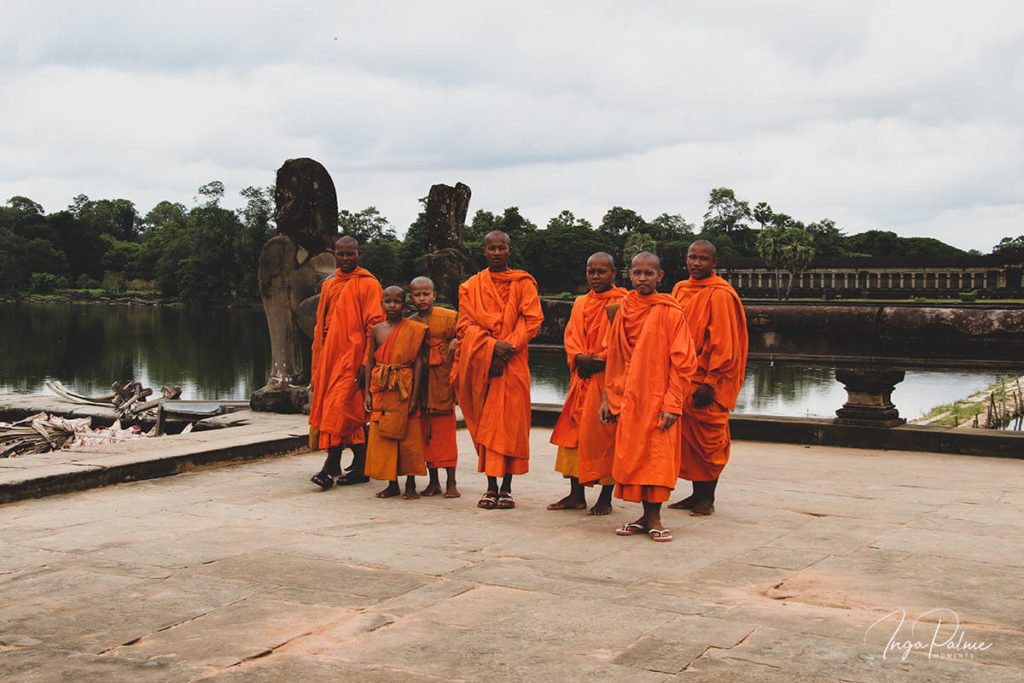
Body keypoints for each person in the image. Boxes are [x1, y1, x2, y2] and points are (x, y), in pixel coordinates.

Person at [599, 251, 696, 542]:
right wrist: (608, 397)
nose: (642, 278)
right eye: (637, 273)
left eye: (649, 273)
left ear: (660, 277)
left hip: (658, 398)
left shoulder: (671, 311)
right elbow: (613, 356)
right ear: (628, 274)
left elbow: (683, 363)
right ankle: (644, 515)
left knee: (656, 458)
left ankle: (655, 516)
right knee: (634, 457)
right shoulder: (621, 309)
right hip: (628, 398)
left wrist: (672, 403)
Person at [453, 230, 543, 510]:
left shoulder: (523, 283)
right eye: (491, 248)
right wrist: (492, 347)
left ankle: (506, 488)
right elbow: (465, 326)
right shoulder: (470, 286)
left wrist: (506, 348)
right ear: (483, 251)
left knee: (509, 427)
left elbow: (532, 320)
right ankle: (490, 486)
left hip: (513, 364)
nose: (496, 253)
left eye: (501, 248)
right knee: (487, 425)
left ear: (509, 250)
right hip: (482, 363)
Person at [669, 239, 748, 516]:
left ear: (715, 263)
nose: (696, 263)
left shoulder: (720, 294)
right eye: (692, 257)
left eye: (703, 259)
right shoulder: (679, 289)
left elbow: (724, 344)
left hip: (708, 380)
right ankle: (694, 494)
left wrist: (711, 382)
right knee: (687, 440)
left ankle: (707, 498)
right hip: (683, 376)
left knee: (709, 440)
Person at [547, 252, 626, 515]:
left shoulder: (623, 302)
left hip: (606, 379)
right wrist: (579, 357)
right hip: (581, 376)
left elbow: (624, 341)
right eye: (591, 271)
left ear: (613, 273)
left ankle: (605, 497)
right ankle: (576, 494)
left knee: (605, 436)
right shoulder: (580, 303)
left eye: (601, 272)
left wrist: (600, 360)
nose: (595, 277)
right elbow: (571, 335)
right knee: (573, 435)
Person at [308, 236, 383, 490]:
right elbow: (322, 324)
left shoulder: (368, 284)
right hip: (330, 356)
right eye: (341, 254)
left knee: (338, 408)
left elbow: (375, 325)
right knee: (350, 412)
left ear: (359, 255)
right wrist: (318, 359)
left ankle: (330, 465)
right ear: (335, 256)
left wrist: (366, 363)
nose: (346, 258)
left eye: (350, 254)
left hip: (354, 357)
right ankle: (362, 466)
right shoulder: (331, 285)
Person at [363, 285, 429, 499]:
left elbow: (419, 362)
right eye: (388, 301)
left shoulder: (414, 328)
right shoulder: (376, 329)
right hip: (382, 386)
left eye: (397, 301)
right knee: (385, 435)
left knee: (409, 436)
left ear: (404, 304)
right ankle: (392, 483)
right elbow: (370, 360)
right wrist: (367, 392)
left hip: (405, 386)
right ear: (381, 303)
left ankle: (410, 483)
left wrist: (415, 394)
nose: (392, 305)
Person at [408, 276, 461, 498]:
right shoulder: (410, 322)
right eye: (417, 295)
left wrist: (456, 341)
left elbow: (465, 334)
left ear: (434, 295)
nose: (422, 298)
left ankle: (451, 482)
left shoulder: (449, 317)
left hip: (442, 382)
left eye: (426, 294)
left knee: (445, 435)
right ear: (411, 298)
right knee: (425, 434)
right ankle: (434, 482)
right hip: (421, 383)